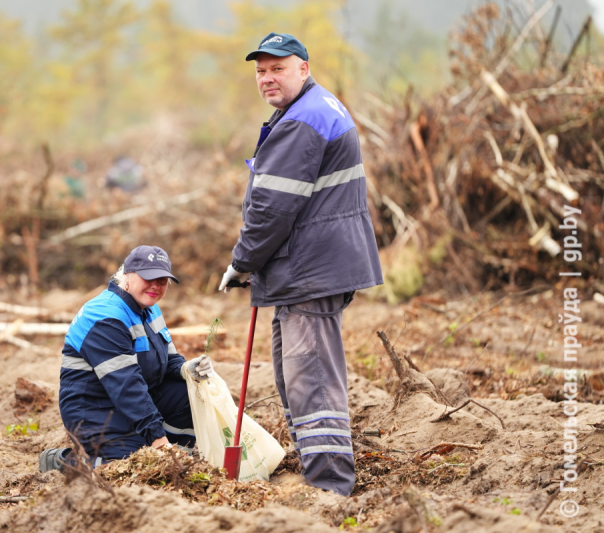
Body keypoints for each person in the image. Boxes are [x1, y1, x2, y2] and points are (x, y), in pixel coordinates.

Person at [218, 33, 383, 496]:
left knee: (309, 377)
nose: (267, 78)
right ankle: (319, 469)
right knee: (294, 374)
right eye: (261, 70)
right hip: (308, 265)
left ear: (304, 69)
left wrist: (243, 261)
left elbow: (272, 209)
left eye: (278, 68)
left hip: (311, 268)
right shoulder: (315, 108)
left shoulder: (301, 122)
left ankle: (329, 486)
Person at [40, 245, 213, 472]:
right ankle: (63, 461)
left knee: (188, 392)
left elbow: (169, 358)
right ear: (127, 276)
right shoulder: (106, 317)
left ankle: (178, 463)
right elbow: (126, 386)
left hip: (133, 400)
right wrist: (157, 441)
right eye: (148, 277)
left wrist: (186, 369)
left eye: (162, 280)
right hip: (94, 411)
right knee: (133, 464)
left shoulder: (149, 307)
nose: (155, 286)